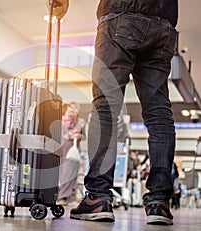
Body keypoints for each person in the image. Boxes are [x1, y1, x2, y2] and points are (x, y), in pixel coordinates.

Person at [51, 0, 178, 225]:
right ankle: (159, 201)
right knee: (159, 113)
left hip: (122, 13)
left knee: (106, 108)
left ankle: (98, 197)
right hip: (164, 23)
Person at [57, 103, 85, 205]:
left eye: (73, 110)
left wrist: (79, 136)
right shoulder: (61, 122)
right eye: (70, 110)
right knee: (64, 173)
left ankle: (69, 198)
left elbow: (84, 136)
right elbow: (62, 135)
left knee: (73, 173)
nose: (72, 112)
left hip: (74, 148)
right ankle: (61, 197)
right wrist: (72, 135)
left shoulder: (80, 122)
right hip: (63, 148)